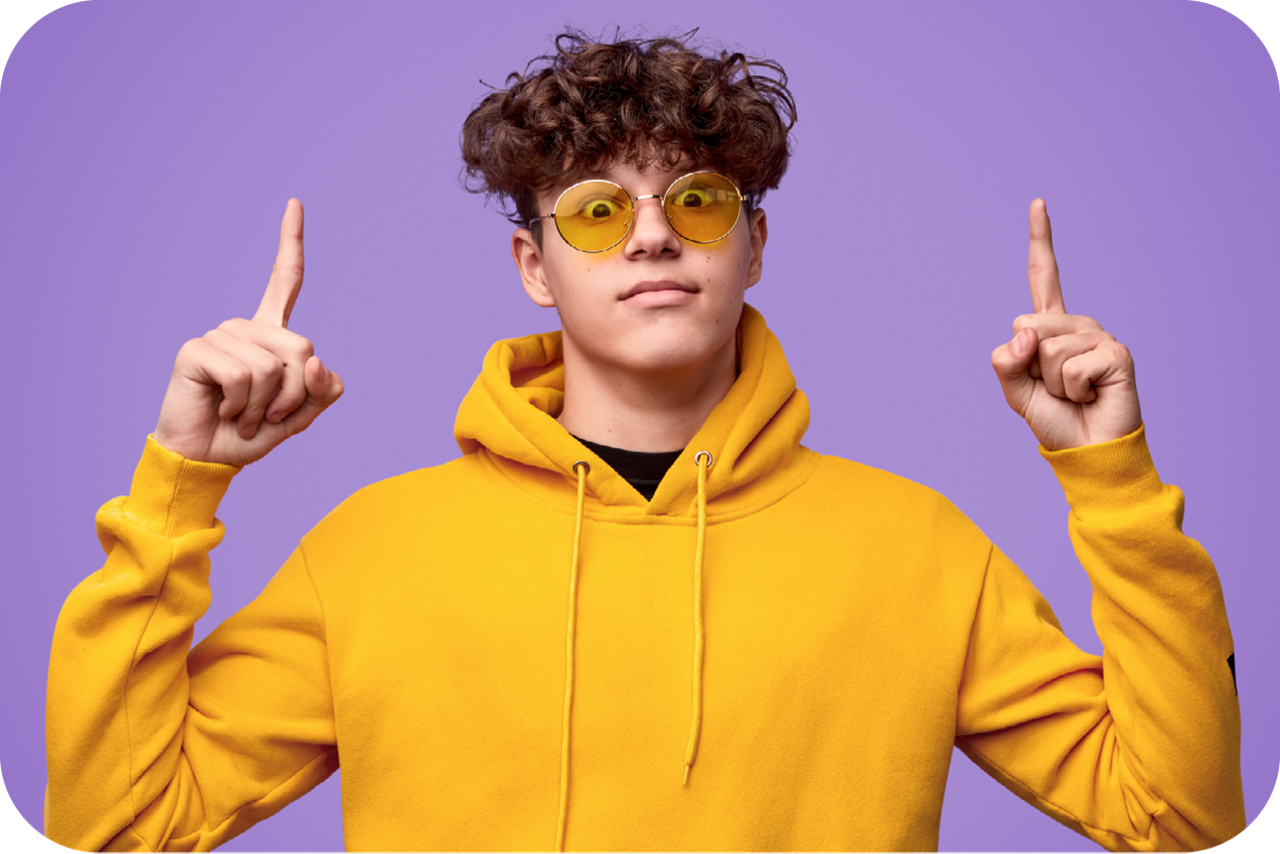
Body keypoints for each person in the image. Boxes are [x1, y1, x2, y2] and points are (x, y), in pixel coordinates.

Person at [45, 31, 1245, 853]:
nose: (654, 238)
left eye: (701, 198)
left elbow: (1176, 811)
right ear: (533, 264)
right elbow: (119, 820)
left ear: (753, 247)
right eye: (599, 208)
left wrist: (1112, 481)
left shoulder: (919, 547)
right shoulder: (369, 551)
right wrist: (176, 483)